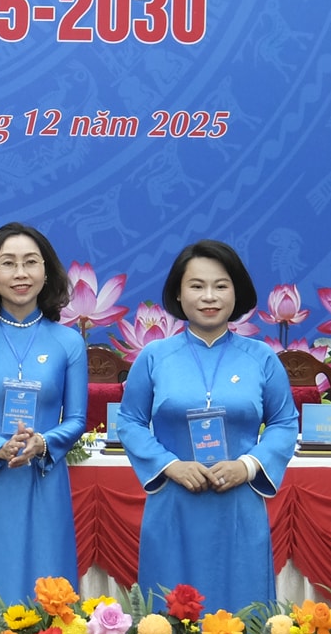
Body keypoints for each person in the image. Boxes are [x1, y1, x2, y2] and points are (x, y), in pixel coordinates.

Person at [111, 239, 299, 611]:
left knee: (242, 617)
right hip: (173, 502)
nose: (209, 296)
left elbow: (284, 422)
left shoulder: (261, 358)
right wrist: (170, 466)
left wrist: (247, 466)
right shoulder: (155, 356)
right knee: (170, 618)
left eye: (220, 285)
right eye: (196, 286)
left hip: (239, 505)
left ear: (237, 292)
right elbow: (130, 421)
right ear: (178, 294)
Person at [0, 223, 88, 608]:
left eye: (30, 262)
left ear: (47, 271)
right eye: (8, 263)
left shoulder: (69, 341)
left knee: (45, 591)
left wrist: (43, 442)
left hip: (43, 478)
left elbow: (77, 419)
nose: (20, 273)